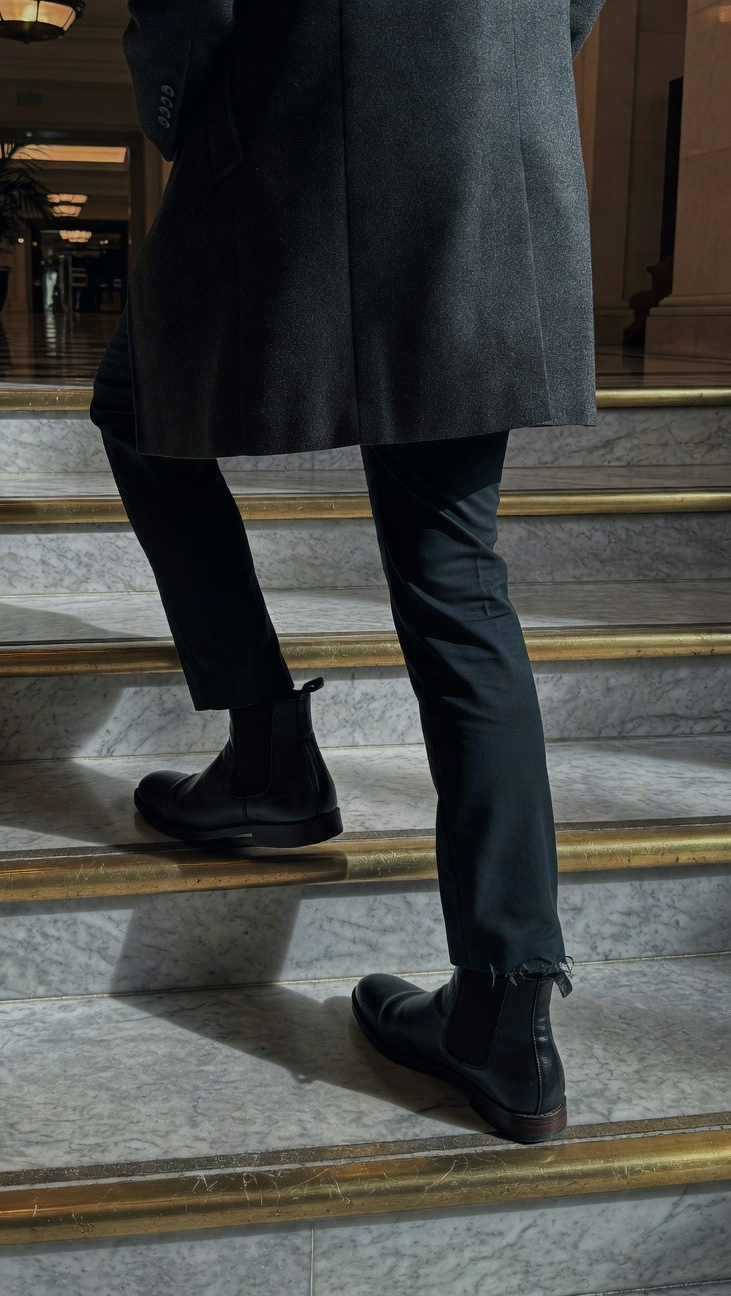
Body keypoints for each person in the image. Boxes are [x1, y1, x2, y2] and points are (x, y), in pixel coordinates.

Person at [90, 0, 607, 1145]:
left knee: (137, 408)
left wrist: (185, 112)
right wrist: (484, 77)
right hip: (482, 144)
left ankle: (270, 752)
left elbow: (188, 8)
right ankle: (509, 1012)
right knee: (455, 571)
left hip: (298, 128)